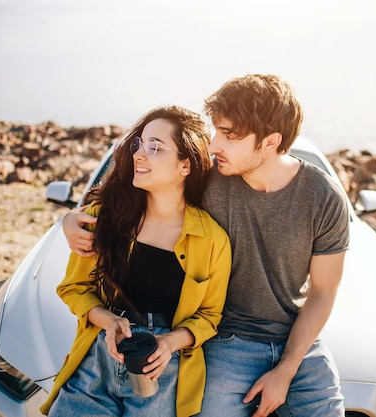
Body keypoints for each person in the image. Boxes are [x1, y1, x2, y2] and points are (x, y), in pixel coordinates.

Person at [63, 74, 350, 417]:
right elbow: (144, 186)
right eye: (216, 132)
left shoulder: (324, 197)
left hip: (300, 343)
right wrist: (71, 219)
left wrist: (286, 370)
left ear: (270, 141)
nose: (214, 147)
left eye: (229, 135)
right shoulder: (209, 181)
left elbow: (323, 292)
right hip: (226, 341)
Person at [40, 106, 232, 417]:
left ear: (186, 165)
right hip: (96, 365)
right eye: (139, 144)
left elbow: (210, 317)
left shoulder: (211, 239)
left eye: (155, 147)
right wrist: (111, 322)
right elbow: (74, 288)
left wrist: (169, 342)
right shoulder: (102, 218)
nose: (139, 155)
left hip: (162, 375)